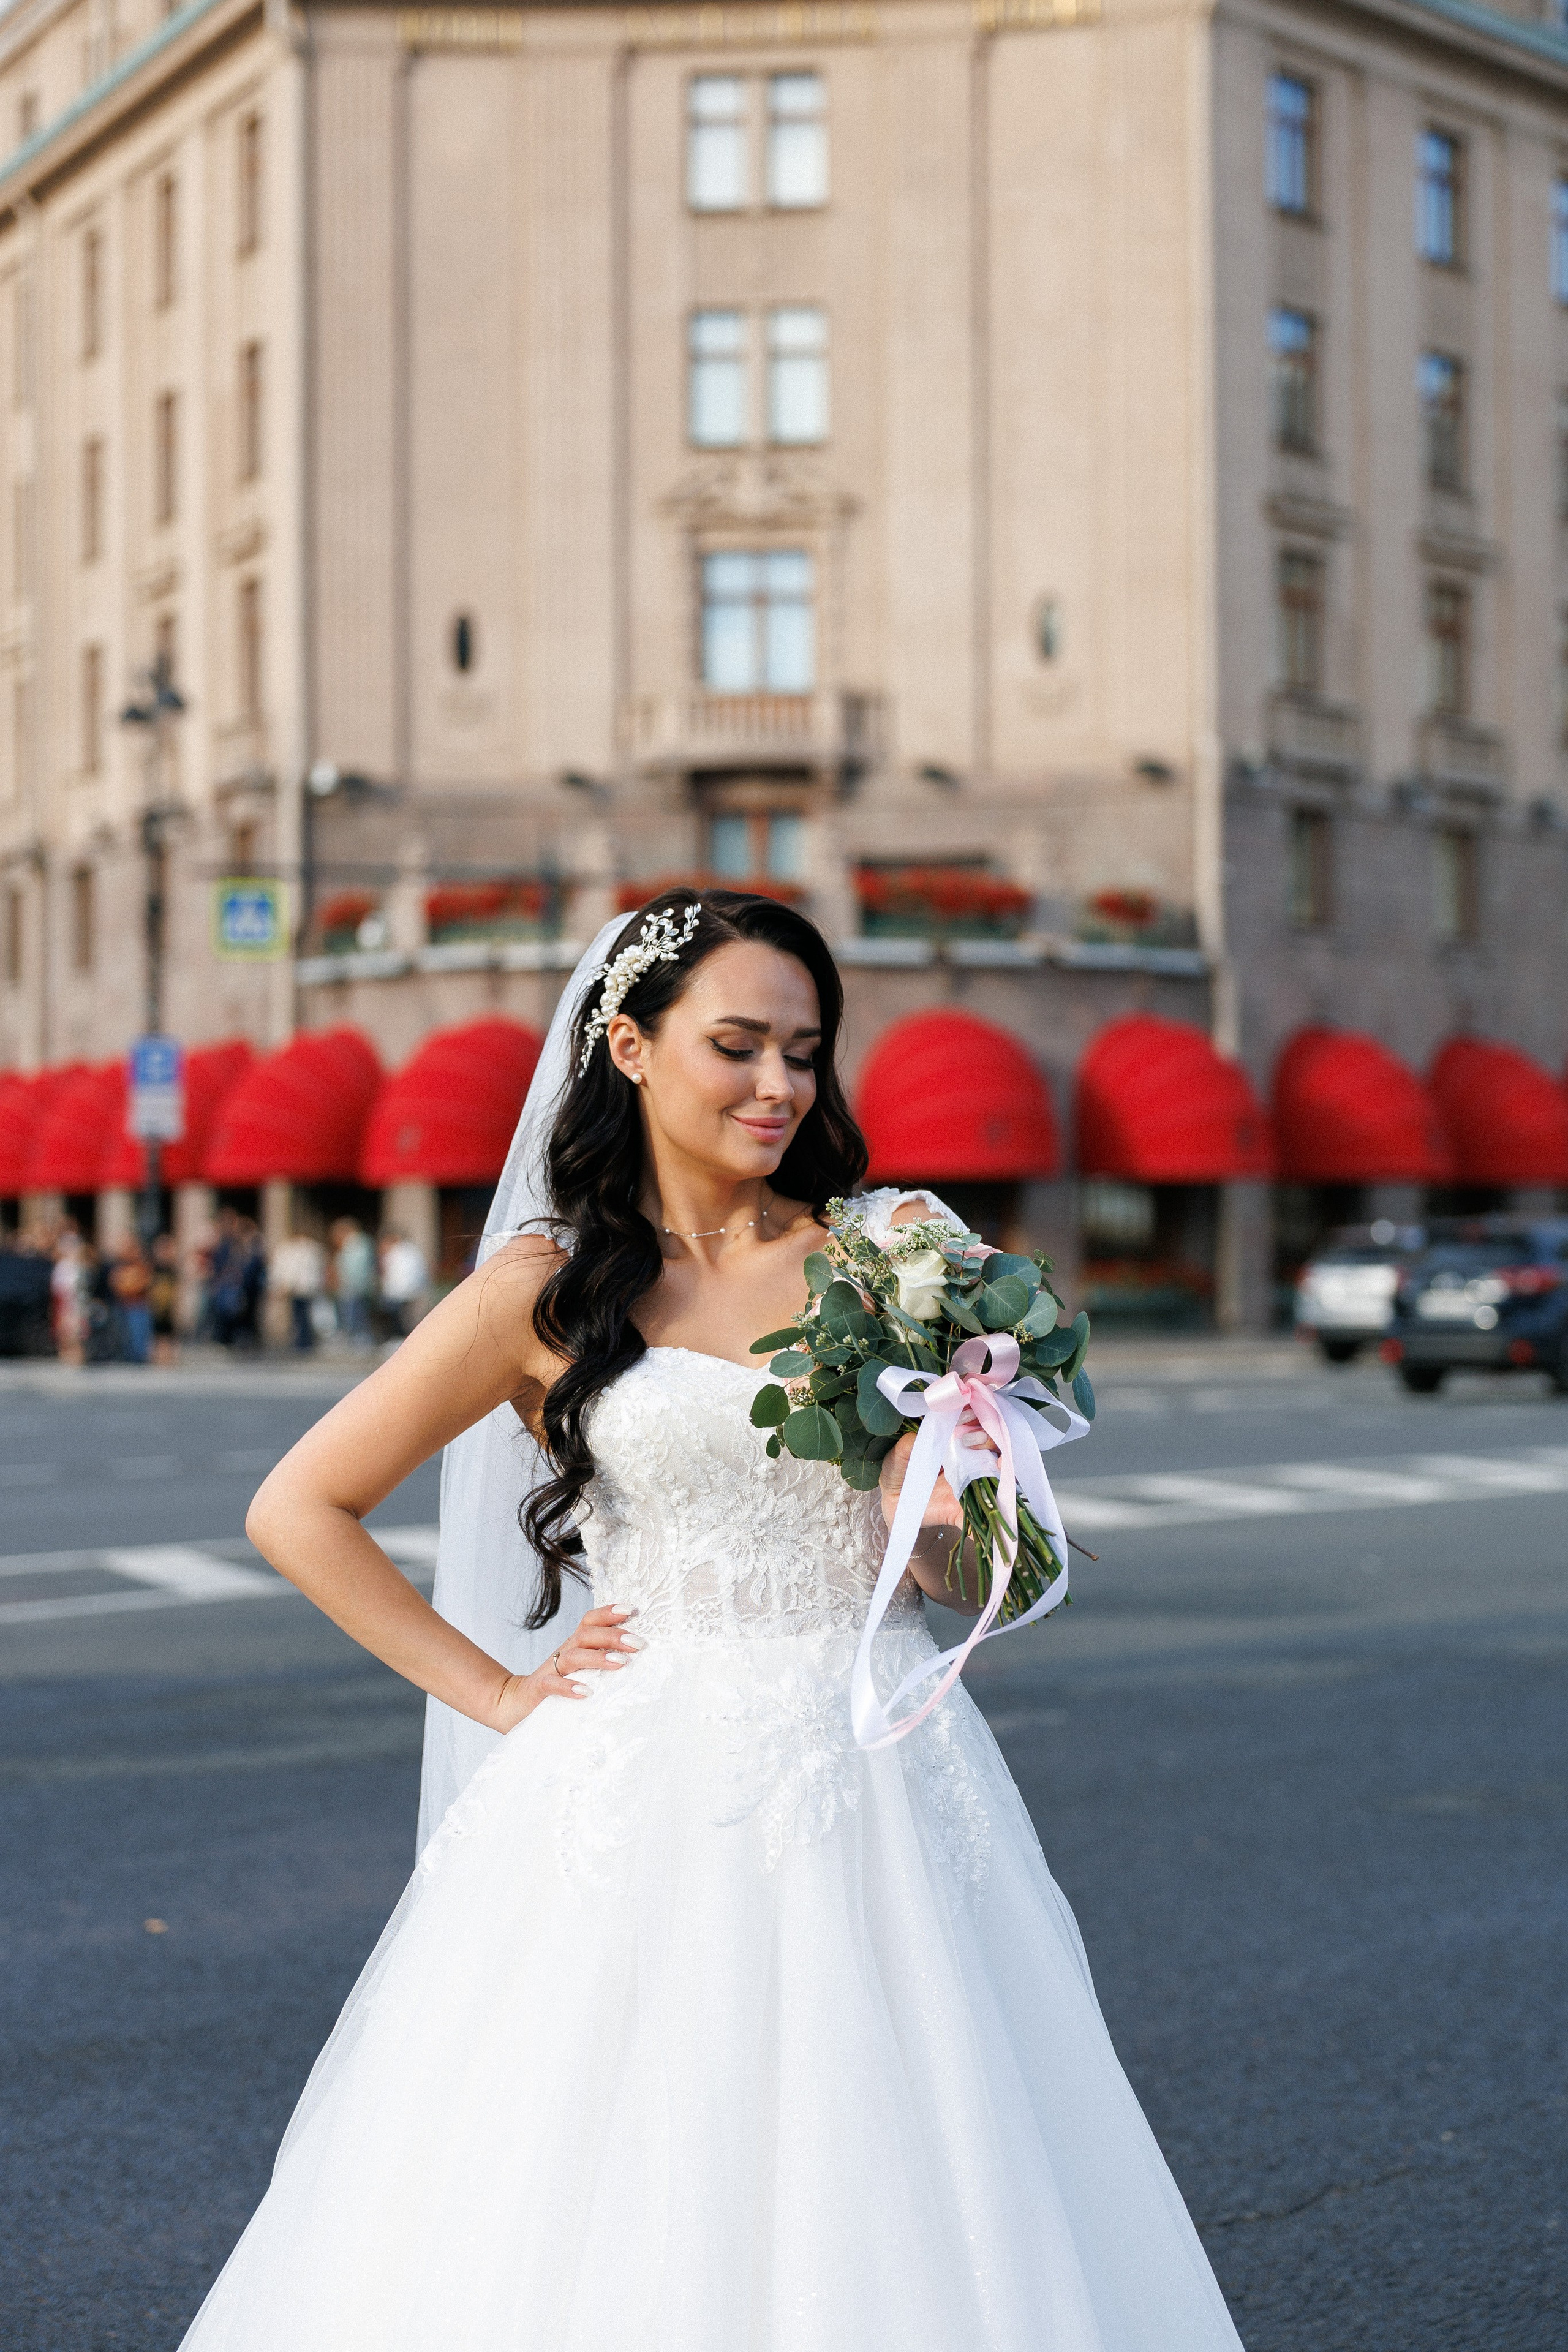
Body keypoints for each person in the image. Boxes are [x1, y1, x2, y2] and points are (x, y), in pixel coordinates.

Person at [179, 892, 1245, 2352]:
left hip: (877, 1753)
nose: (778, 1086)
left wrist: (952, 1470)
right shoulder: (540, 1288)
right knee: (598, 2171)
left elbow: (950, 1574)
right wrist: (495, 1694)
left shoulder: (887, 1258)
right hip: (635, 1777)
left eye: (804, 1051)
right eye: (736, 1044)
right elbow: (299, 1506)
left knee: (917, 2151)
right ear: (626, 1044)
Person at [270, 1227, 326, 1352]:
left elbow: (293, 1271)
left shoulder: (297, 1249)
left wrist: (286, 1285)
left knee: (301, 1316)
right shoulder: (313, 1248)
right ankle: (303, 1342)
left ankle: (302, 1343)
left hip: (300, 1288)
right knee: (302, 1316)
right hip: (307, 1287)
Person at [330, 1216, 376, 1348]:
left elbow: (356, 1269)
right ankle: (356, 1339)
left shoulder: (357, 1244)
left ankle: (360, 1340)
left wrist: (348, 1283)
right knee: (354, 1314)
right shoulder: (357, 1244)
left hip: (355, 1287)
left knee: (356, 1315)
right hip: (352, 1287)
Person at [377, 1224, 429, 1338]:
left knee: (404, 1321)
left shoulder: (400, 1252)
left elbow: (401, 1276)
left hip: (403, 1293)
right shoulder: (408, 1250)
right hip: (406, 1292)